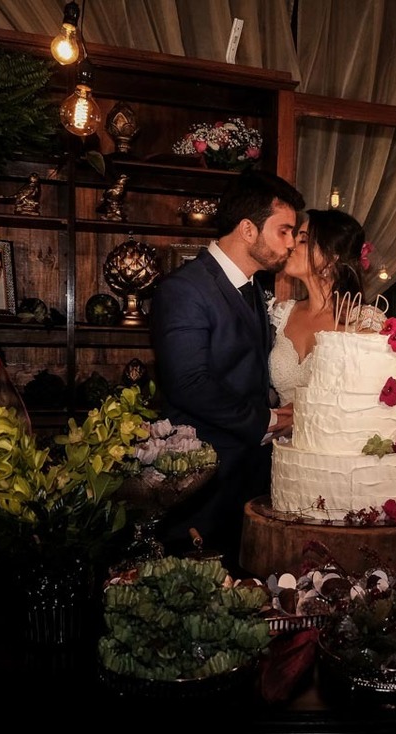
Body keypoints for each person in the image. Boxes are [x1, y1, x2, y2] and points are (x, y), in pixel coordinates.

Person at [150, 169, 304, 561]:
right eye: (283, 231)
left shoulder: (254, 289)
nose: (291, 243)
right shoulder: (184, 289)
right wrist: (268, 420)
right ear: (248, 230)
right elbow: (189, 383)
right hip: (202, 477)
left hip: (247, 477)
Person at [269, 208, 384, 410]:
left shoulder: (363, 321)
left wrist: (298, 418)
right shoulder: (281, 314)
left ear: (331, 259)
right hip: (281, 441)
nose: (291, 245)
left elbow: (367, 400)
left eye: (303, 240)